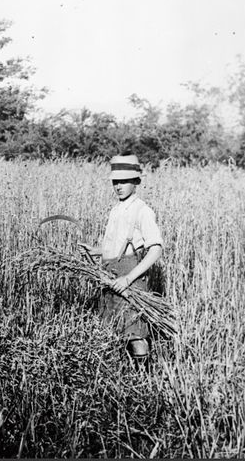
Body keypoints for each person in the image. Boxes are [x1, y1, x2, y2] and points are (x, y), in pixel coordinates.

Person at [78, 154, 163, 368]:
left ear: (137, 182)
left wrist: (127, 279)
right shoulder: (116, 210)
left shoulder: (142, 211)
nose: (119, 186)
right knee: (114, 330)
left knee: (135, 334)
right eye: (115, 182)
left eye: (124, 181)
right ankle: (122, 376)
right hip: (110, 277)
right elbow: (119, 247)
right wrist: (98, 251)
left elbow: (156, 250)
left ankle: (144, 381)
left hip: (130, 280)